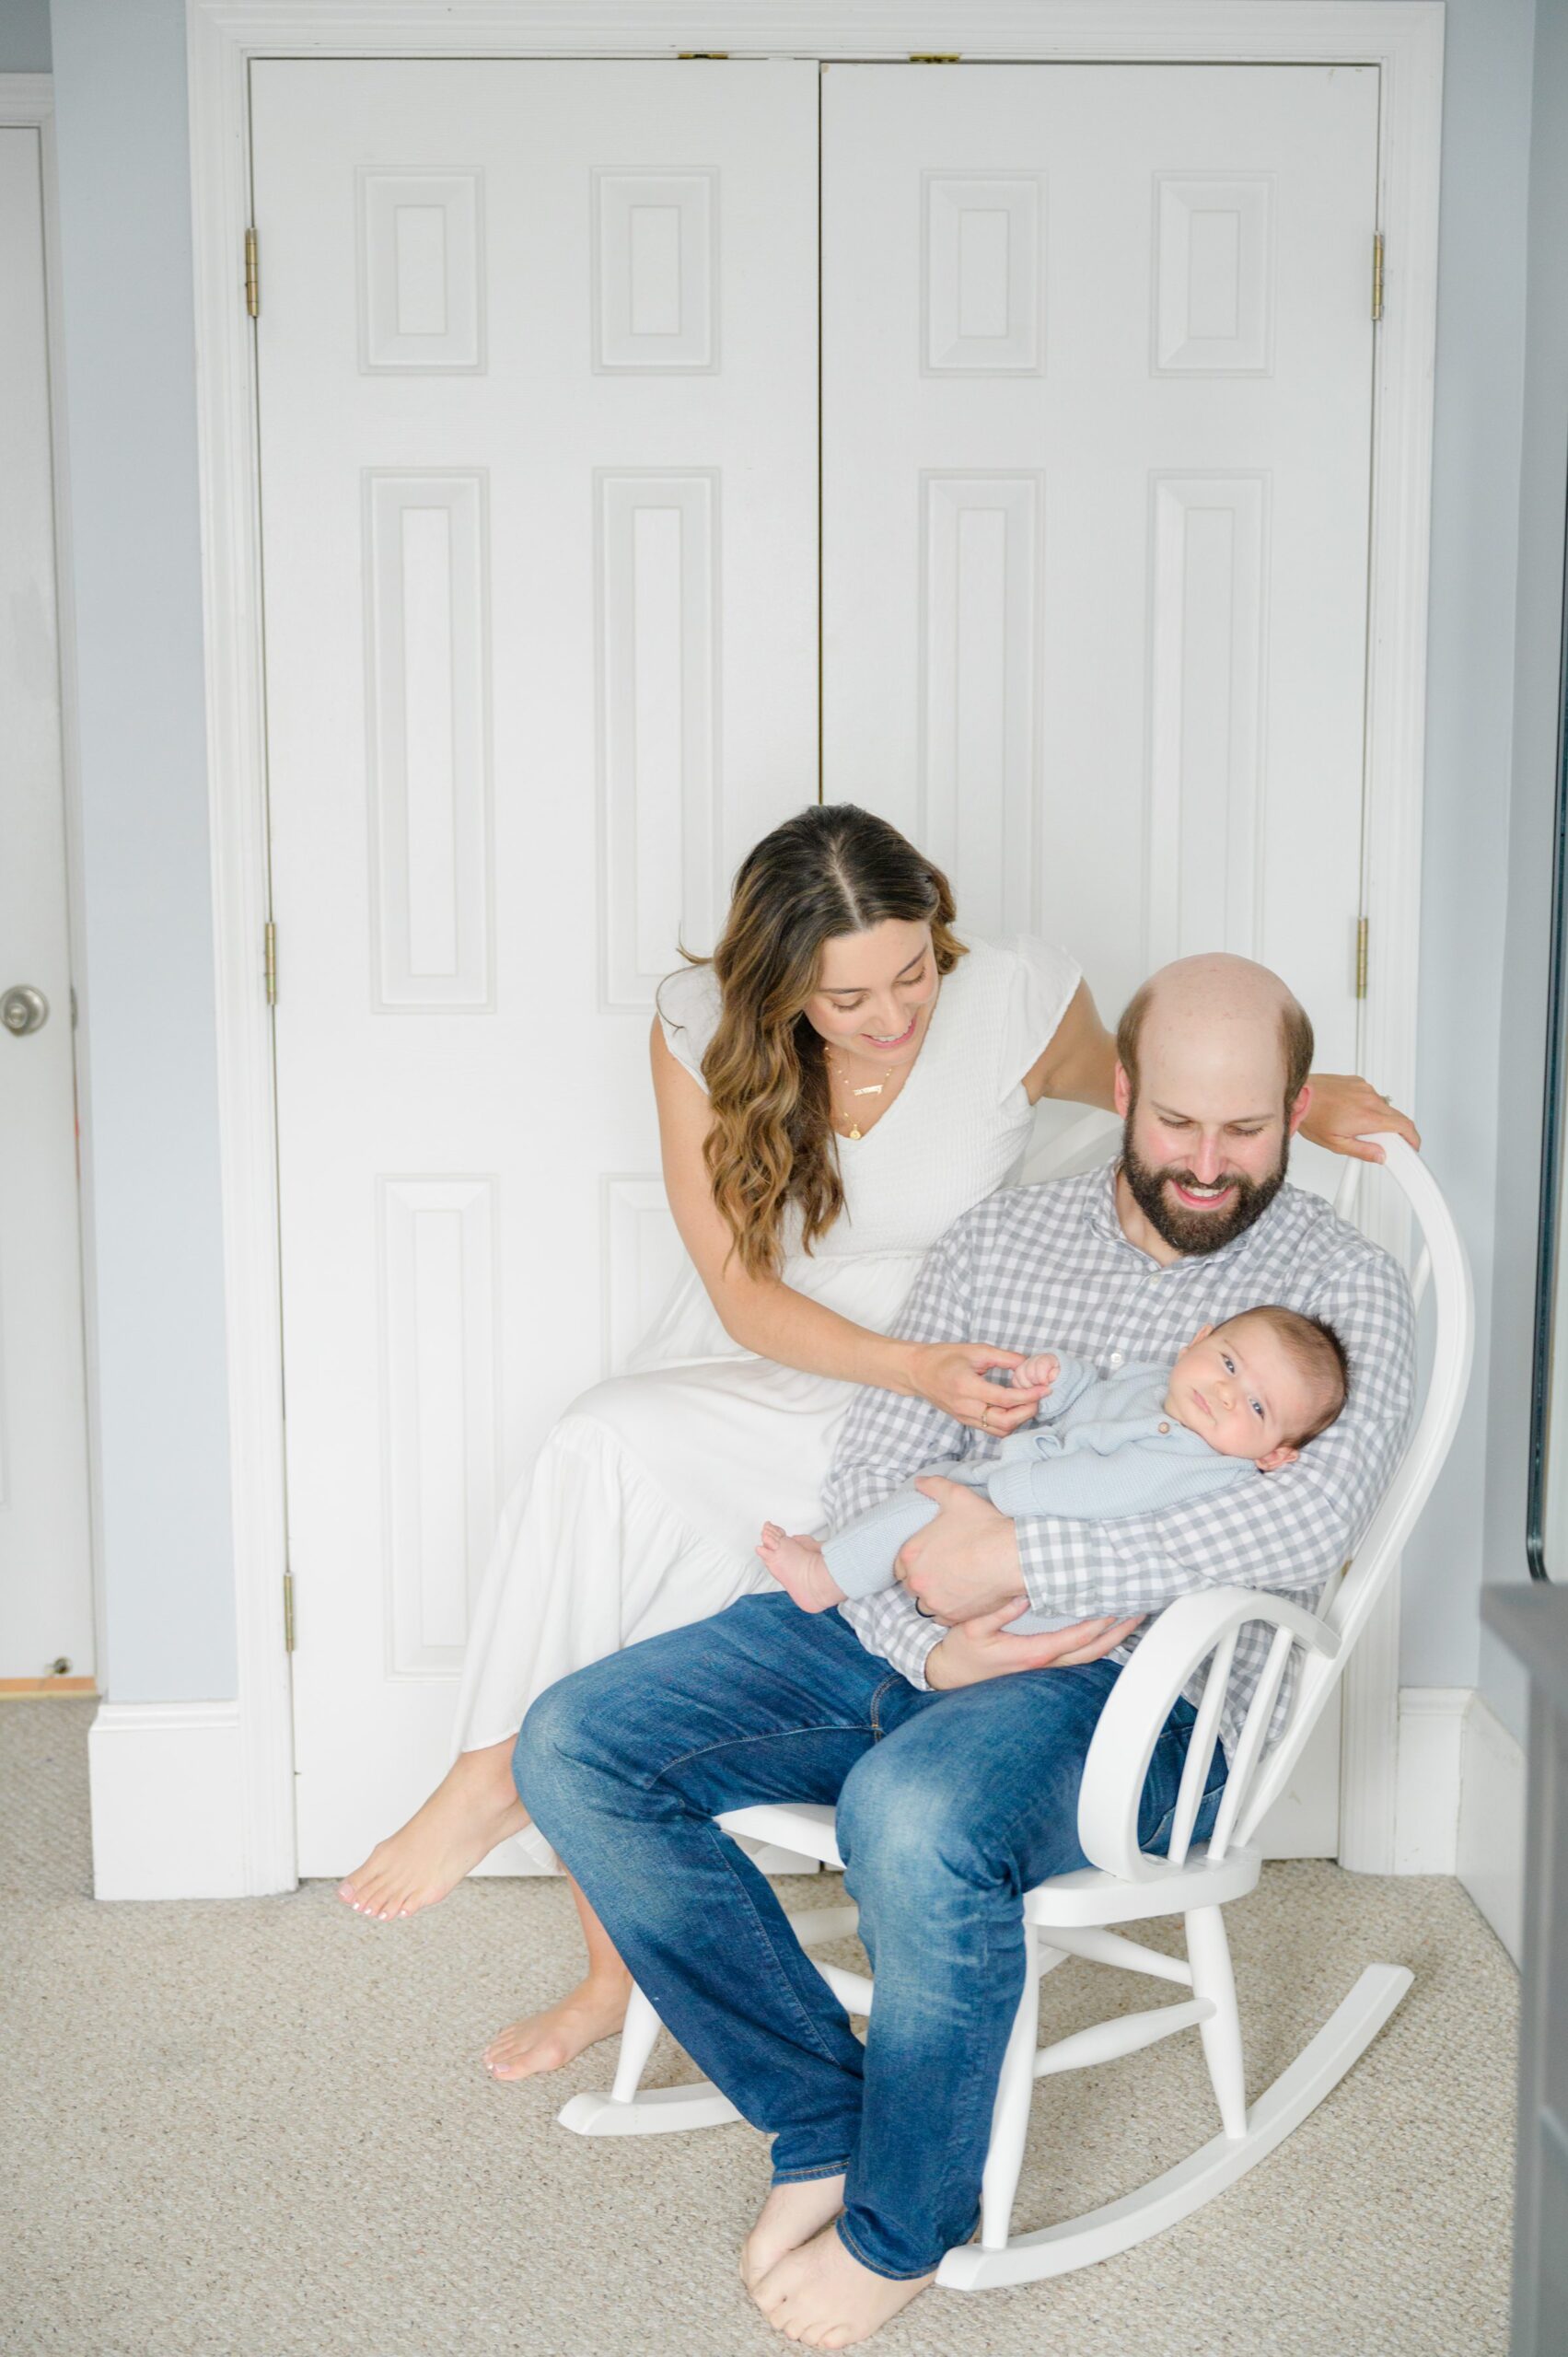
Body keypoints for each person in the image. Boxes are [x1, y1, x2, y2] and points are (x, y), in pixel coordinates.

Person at [337, 803, 1413, 2088]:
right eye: (846, 997)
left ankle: (556, 1833)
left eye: (910, 974)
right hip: (806, 1352)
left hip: (938, 1383)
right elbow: (740, 1296)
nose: (893, 1015)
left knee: (740, 1584)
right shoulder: (697, 1027)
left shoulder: (1011, 998)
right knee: (599, 1453)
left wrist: (1284, 1108)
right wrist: (920, 1379)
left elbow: (1159, 1114)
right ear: (776, 982)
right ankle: (526, 1819)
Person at [515, 954, 1418, 2349]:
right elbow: (882, 1455)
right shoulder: (1002, 1245)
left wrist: (1021, 1567)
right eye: (1175, 1121)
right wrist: (925, 1646)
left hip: (1137, 1694)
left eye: (1245, 1131)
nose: (1205, 1163)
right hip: (903, 1632)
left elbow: (1299, 1524)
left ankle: (898, 2225)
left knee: (912, 1810)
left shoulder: (1343, 1285)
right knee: (576, 1743)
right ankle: (821, 2116)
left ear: (1293, 1109)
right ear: (1119, 1089)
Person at [756, 1305, 1349, 1618]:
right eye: (1227, 1363)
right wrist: (1062, 1381)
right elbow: (1094, 1405)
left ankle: (824, 1580)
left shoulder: (1201, 1460)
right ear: (1199, 1339)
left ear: (1273, 1454)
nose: (1226, 1392)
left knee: (926, 1506)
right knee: (920, 1502)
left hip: (1042, 1556)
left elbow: (1106, 1489)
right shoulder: (1155, 1385)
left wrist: (1009, 1490)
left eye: (1254, 1405)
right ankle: (845, 1557)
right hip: (1023, 1519)